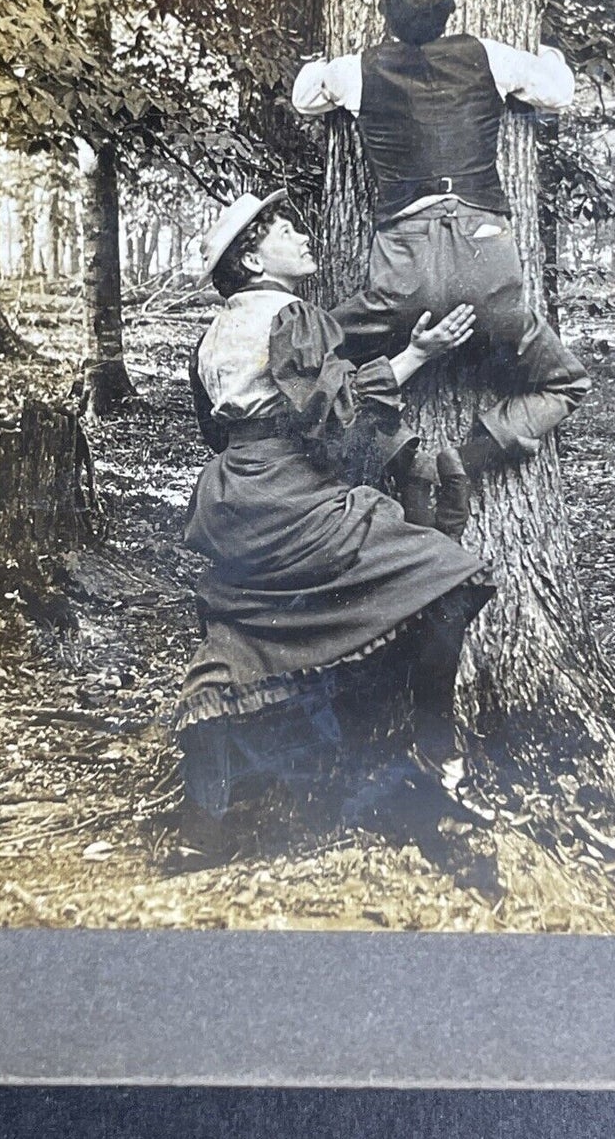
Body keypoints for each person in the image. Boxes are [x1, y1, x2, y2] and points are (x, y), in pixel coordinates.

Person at [173, 188, 496, 869]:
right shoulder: (294, 314)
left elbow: (215, 429)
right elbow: (335, 419)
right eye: (284, 229)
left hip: (233, 501)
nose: (300, 234)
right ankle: (433, 751)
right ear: (254, 257)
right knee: (454, 577)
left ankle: (204, 823)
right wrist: (415, 354)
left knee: (243, 630)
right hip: (293, 496)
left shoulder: (210, 336)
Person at [292, 0, 592, 475]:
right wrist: (548, 53)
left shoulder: (357, 70)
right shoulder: (489, 56)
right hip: (487, 266)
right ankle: (468, 460)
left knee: (309, 356)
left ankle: (399, 460)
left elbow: (304, 97)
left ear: (384, 10)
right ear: (452, 6)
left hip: (402, 279)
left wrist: (319, 65)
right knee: (567, 381)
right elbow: (558, 91)